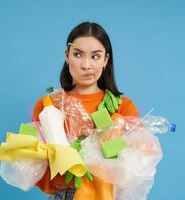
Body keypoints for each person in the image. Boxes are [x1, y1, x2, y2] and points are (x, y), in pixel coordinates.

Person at [32, 22, 139, 200]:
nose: (86, 65)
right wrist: (69, 173)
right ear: (67, 56)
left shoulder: (123, 107)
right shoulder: (49, 106)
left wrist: (116, 131)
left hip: (109, 195)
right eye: (78, 54)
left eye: (95, 57)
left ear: (105, 60)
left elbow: (136, 166)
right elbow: (36, 167)